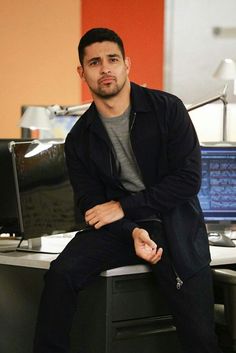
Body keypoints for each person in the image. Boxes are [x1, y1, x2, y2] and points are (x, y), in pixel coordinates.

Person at [33, 28, 222, 353]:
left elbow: (188, 180)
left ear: (126, 65)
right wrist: (130, 228)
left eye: (112, 59)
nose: (105, 68)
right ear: (82, 72)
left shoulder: (168, 110)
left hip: (174, 227)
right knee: (61, 275)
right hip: (119, 231)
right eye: (94, 62)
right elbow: (91, 203)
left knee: (200, 340)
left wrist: (123, 207)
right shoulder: (79, 138)